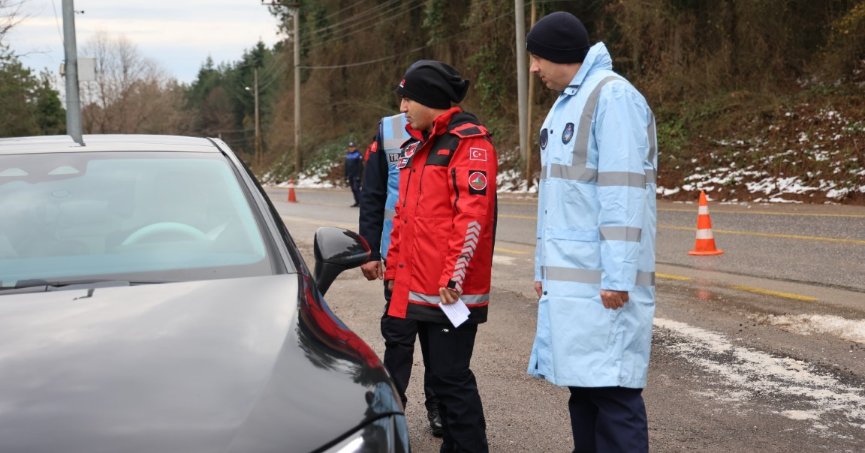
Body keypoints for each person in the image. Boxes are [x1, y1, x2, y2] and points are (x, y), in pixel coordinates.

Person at [526, 11, 658, 453]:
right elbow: (556, 201)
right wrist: (543, 266)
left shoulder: (613, 98)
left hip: (604, 284)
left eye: (537, 58)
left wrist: (619, 277)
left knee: (614, 395)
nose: (533, 68)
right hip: (575, 283)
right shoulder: (569, 101)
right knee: (583, 390)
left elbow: (623, 190)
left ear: (561, 55)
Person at [383, 59, 497, 453]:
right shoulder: (417, 146)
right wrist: (394, 271)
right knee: (442, 378)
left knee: (450, 379)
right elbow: (404, 217)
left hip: (451, 292)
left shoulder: (469, 144)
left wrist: (454, 278)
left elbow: (472, 218)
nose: (402, 108)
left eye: (408, 98)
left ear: (430, 98)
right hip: (418, 289)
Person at [358, 112, 443, 437]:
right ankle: (393, 408)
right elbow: (373, 192)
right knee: (398, 338)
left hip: (437, 259)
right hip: (399, 259)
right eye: (402, 97)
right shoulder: (389, 129)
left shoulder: (458, 130)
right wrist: (369, 250)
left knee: (438, 341)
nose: (405, 104)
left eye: (411, 96)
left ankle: (438, 406)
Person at [345, 141, 363, 207]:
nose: (351, 148)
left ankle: (362, 202)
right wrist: (346, 175)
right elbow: (346, 166)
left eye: (352, 147)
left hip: (356, 175)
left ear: (355, 147)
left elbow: (360, 166)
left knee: (356, 188)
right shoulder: (348, 155)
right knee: (353, 189)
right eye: (350, 147)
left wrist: (359, 175)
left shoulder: (358, 155)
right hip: (350, 175)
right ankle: (357, 202)